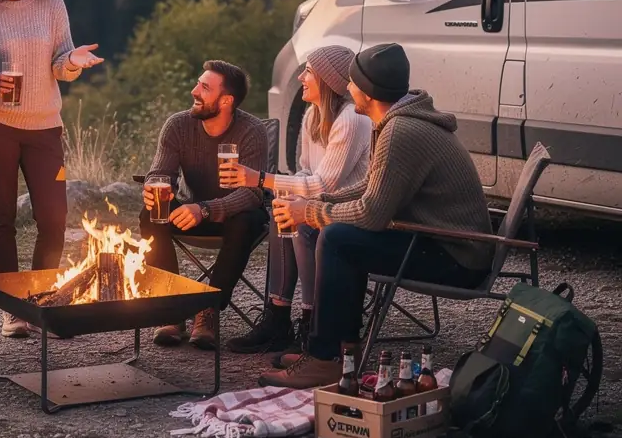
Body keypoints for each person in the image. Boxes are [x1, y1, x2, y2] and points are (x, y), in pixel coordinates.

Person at [258, 42, 493, 389]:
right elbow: (371, 186)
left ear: (368, 92)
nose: (347, 87)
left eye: (352, 82)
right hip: (441, 240)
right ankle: (342, 354)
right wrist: (318, 201)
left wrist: (310, 211)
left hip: (458, 257)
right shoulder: (397, 121)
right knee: (342, 237)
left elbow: (371, 213)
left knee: (338, 239)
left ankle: (326, 358)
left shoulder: (401, 131)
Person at [0, 0, 103, 338]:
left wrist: (73, 61)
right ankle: (12, 309)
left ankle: (42, 298)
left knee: (54, 218)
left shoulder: (52, 4)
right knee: (2, 216)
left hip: (45, 126)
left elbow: (60, 64)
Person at [222, 45, 371, 355]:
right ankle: (278, 318)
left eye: (309, 72)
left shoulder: (351, 119)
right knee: (281, 210)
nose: (301, 77)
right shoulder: (312, 115)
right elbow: (305, 170)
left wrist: (261, 179)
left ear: (327, 80)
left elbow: (323, 184)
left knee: (301, 223)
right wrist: (285, 192)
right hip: (322, 202)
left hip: (350, 209)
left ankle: (312, 321)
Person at [140, 61, 268, 352]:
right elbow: (160, 173)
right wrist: (155, 188)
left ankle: (208, 310)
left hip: (232, 216)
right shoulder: (178, 125)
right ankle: (171, 306)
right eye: (198, 83)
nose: (194, 91)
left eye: (205, 87)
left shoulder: (252, 131)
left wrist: (206, 209)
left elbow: (252, 194)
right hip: (189, 211)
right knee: (150, 214)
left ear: (226, 101)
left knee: (247, 219)